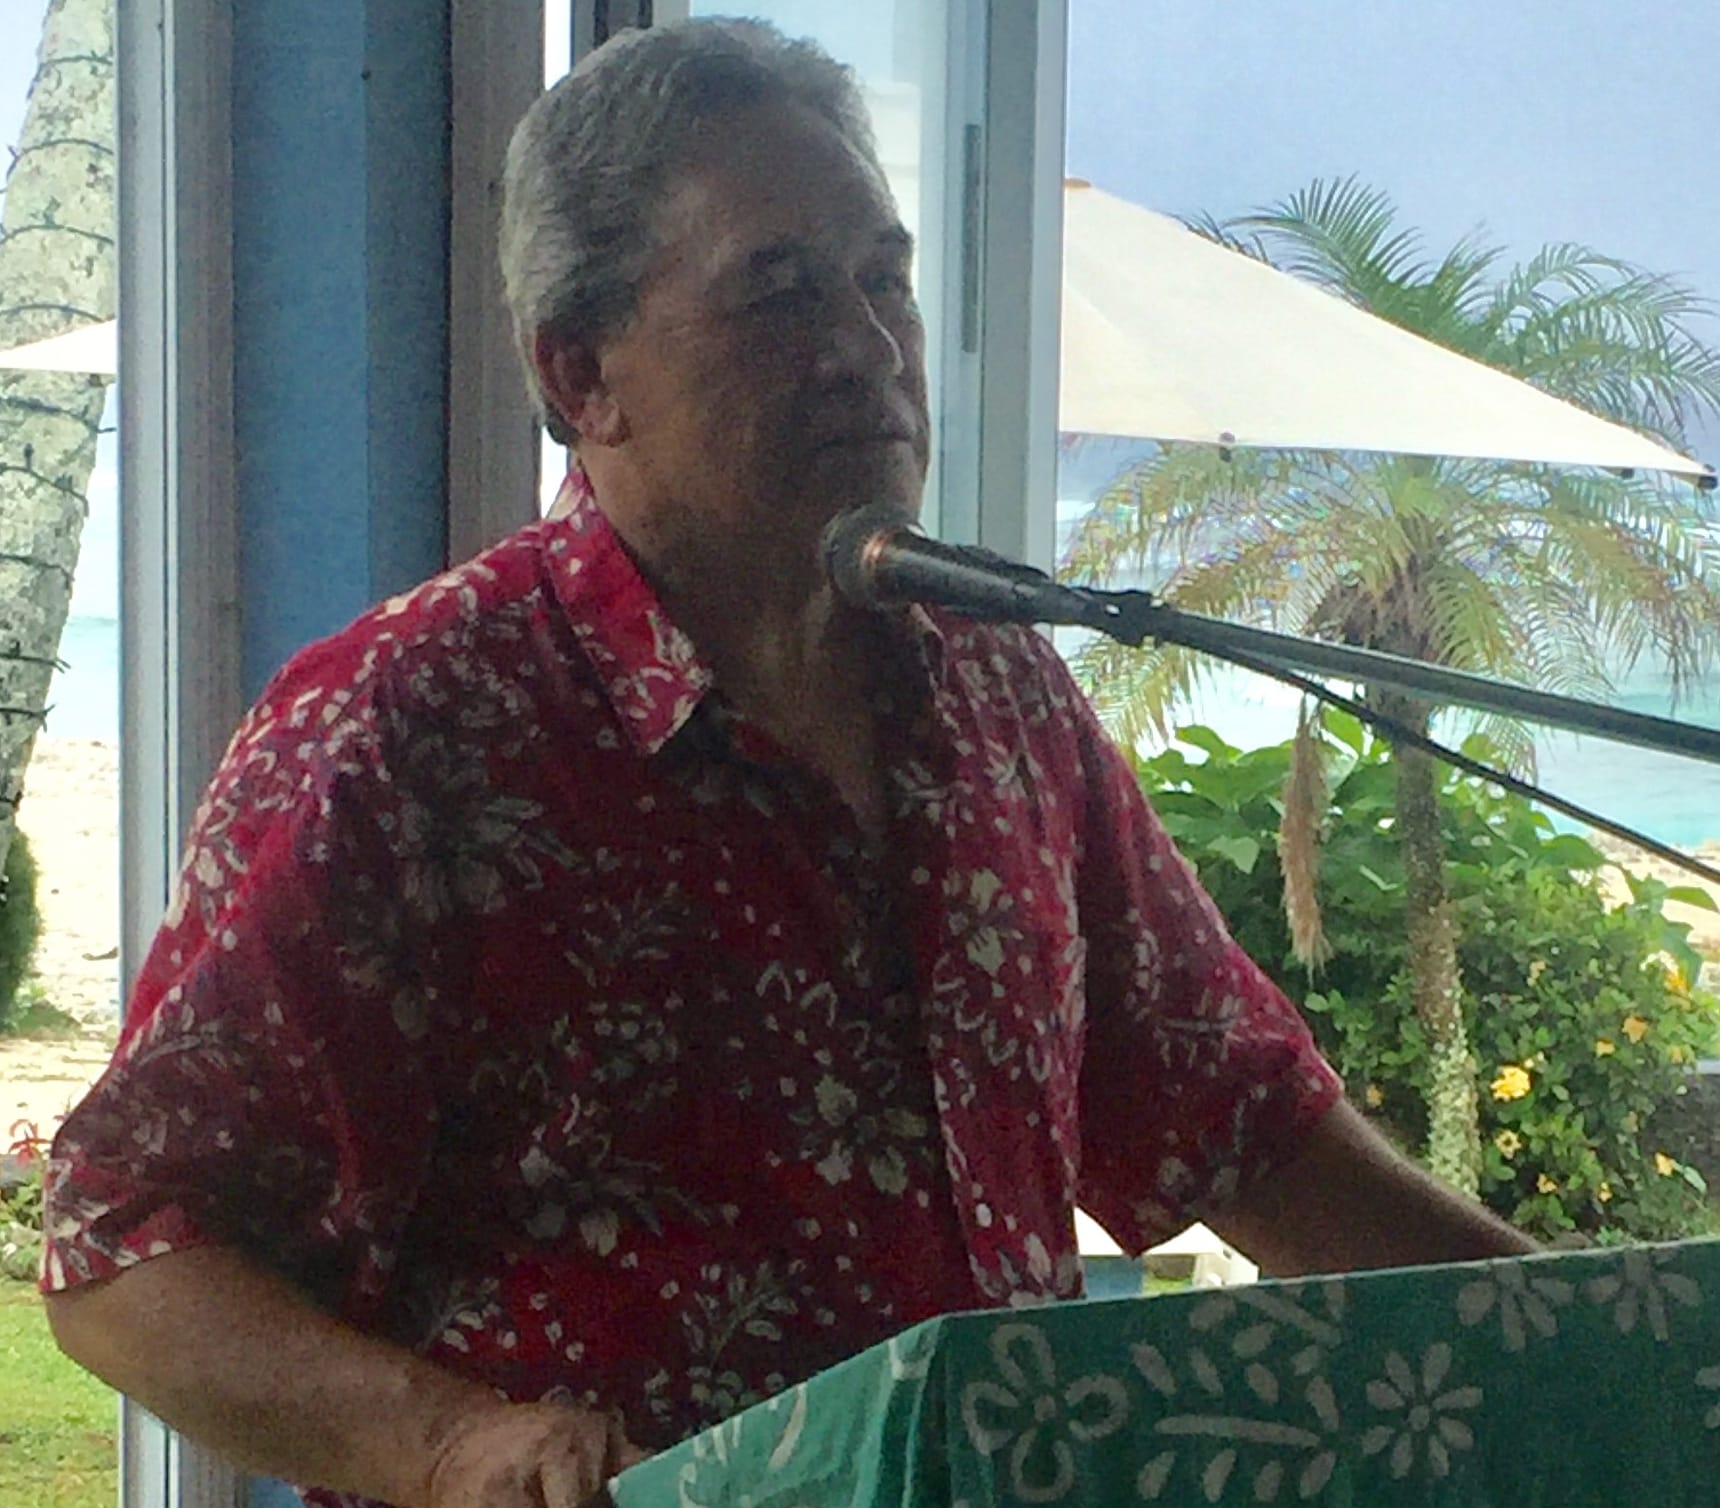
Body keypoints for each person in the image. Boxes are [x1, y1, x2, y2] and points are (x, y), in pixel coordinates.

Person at [39, 20, 1534, 1508]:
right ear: (582, 373)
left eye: (882, 280)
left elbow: (1244, 1130)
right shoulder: (405, 731)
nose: (867, 351)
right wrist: (442, 1442)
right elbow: (124, 1243)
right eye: (779, 292)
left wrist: (1615, 1335)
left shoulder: (998, 689)